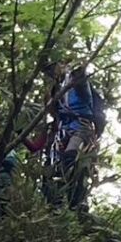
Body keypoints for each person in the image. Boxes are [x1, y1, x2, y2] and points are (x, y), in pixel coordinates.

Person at [41, 61, 103, 211]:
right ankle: (59, 199)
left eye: (53, 68)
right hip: (64, 130)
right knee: (56, 165)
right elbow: (54, 112)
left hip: (81, 126)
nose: (52, 73)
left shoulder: (74, 82)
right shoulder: (57, 88)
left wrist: (78, 72)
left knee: (73, 157)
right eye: (49, 72)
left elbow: (81, 79)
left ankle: (78, 199)